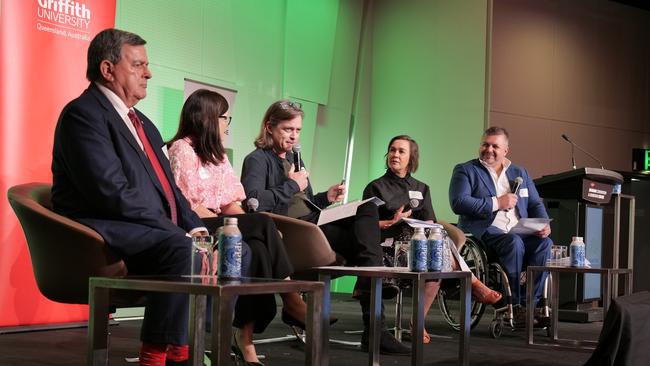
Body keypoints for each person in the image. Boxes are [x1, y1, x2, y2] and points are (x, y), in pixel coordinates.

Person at [51, 29, 236, 366]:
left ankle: (187, 344)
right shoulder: (83, 115)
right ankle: (156, 356)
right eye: (138, 65)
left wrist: (197, 228)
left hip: (144, 225)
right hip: (104, 229)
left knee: (232, 248)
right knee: (183, 251)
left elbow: (171, 192)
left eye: (146, 65)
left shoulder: (145, 124)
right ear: (108, 70)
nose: (148, 73)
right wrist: (177, 233)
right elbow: (109, 192)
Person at [240, 100, 410, 355]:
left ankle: (376, 327)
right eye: (288, 129)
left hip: (313, 225)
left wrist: (324, 198)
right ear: (269, 127)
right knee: (368, 243)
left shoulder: (296, 161)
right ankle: (372, 292)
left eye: (297, 130)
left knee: (367, 213)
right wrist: (291, 186)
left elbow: (304, 203)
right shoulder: (257, 159)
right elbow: (253, 203)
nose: (294, 136)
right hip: (292, 234)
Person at [167, 89, 311, 365]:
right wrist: (243, 224)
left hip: (220, 221)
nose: (227, 124)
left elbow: (233, 201)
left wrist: (246, 226)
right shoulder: (182, 149)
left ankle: (246, 341)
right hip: (196, 224)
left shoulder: (217, 154)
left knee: (257, 246)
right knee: (261, 223)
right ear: (207, 118)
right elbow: (187, 204)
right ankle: (291, 300)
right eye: (224, 117)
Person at [363, 135, 502, 343]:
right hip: (388, 247)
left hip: (419, 246)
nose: (395, 155)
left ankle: (417, 324)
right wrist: (392, 221)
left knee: (436, 257)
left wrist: (419, 226)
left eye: (401, 151)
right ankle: (473, 283)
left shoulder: (421, 188)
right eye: (392, 150)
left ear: (411, 158)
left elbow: (430, 222)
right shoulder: (376, 187)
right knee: (437, 255)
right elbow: (364, 225)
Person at [449, 126, 552, 324]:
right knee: (513, 242)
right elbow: (459, 202)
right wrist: (497, 202)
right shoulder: (466, 170)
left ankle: (532, 305)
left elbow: (535, 203)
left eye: (495, 146)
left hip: (518, 231)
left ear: (506, 150)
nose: (489, 150)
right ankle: (514, 304)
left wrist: (543, 224)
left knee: (544, 244)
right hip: (484, 232)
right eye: (485, 145)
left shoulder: (519, 172)